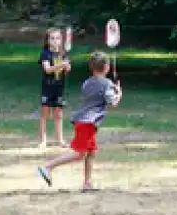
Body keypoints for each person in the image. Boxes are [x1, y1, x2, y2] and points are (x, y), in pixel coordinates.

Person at [37, 51, 122, 192]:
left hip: (84, 121)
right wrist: (118, 93)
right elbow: (112, 103)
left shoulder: (87, 82)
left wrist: (110, 87)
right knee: (79, 153)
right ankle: (47, 167)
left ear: (91, 67)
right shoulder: (107, 84)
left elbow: (92, 90)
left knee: (91, 152)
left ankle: (87, 184)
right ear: (106, 67)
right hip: (88, 122)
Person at [38, 28, 71, 148]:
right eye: (52, 38)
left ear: (61, 40)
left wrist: (67, 66)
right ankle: (43, 140)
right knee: (44, 114)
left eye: (57, 38)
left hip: (59, 88)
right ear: (47, 40)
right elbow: (47, 69)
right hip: (48, 88)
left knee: (58, 115)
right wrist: (61, 65)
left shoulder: (64, 54)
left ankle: (60, 140)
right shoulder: (45, 54)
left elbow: (67, 70)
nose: (55, 41)